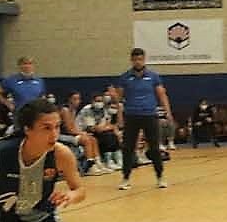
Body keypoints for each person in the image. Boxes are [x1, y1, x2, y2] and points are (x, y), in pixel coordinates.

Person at [115, 48, 173, 190]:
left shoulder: (153, 76)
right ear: (132, 60)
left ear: (144, 59)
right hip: (132, 115)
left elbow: (162, 94)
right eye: (135, 59)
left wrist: (168, 112)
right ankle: (126, 178)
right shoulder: (125, 77)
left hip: (149, 115)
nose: (138, 62)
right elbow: (119, 99)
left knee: (154, 148)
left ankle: (160, 177)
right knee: (128, 148)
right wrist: (120, 117)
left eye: (140, 59)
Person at [0, 57, 45, 134]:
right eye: (25, 63)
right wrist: (8, 104)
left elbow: (42, 97)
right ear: (19, 66)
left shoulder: (39, 81)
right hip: (20, 114)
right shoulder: (12, 80)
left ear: (33, 66)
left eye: (30, 63)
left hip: (36, 114)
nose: (27, 66)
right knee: (21, 136)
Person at [57, 92, 103, 174]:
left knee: (93, 139)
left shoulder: (74, 110)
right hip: (61, 136)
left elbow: (73, 128)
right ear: (69, 100)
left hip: (70, 134)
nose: (78, 101)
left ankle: (98, 164)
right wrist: (82, 134)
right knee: (86, 140)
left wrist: (82, 133)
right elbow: (69, 130)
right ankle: (89, 167)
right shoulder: (65, 110)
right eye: (75, 99)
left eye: (79, 99)